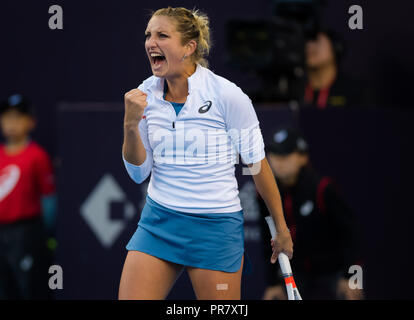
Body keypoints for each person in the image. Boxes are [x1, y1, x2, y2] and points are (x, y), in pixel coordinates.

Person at [118, 6, 293, 300]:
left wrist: (281, 227)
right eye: (148, 35)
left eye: (162, 35)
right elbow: (138, 173)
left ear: (189, 47)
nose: (151, 42)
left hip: (215, 229)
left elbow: (256, 165)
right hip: (159, 222)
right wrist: (130, 124)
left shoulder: (227, 95)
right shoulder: (143, 95)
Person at [259, 127, 364, 300]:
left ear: (302, 157)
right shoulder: (265, 194)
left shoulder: (323, 189)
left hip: (335, 269)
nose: (278, 162)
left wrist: (352, 277)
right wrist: (272, 283)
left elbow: (352, 234)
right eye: (274, 155)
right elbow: (266, 240)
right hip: (296, 271)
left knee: (353, 293)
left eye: (285, 155)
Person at [0, 94, 56, 299]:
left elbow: (49, 199)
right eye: (7, 117)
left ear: (30, 122)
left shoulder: (37, 156)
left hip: (25, 233)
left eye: (18, 117)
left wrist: (47, 234)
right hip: (2, 232)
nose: (12, 123)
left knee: (28, 287)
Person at [304, 29, 370, 108]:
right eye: (307, 42)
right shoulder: (292, 88)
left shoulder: (354, 91)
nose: (309, 46)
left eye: (316, 41)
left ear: (335, 48)